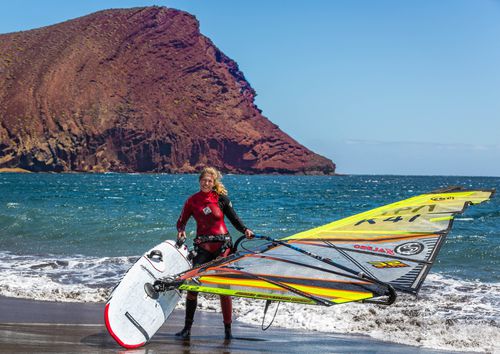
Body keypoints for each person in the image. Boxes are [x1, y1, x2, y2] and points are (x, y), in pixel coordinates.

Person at [175, 166, 254, 340]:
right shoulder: (192, 201)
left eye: (210, 181)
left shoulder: (221, 199)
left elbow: (234, 219)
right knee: (192, 286)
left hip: (223, 247)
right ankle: (187, 329)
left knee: (223, 287)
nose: (206, 183)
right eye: (204, 180)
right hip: (203, 248)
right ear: (199, 181)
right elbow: (181, 221)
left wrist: (245, 230)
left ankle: (228, 331)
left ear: (213, 183)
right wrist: (181, 231)